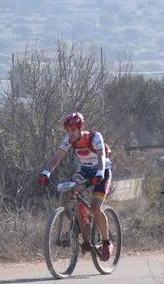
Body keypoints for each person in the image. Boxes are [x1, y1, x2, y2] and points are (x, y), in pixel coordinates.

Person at [39, 111, 113, 260]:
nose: (70, 133)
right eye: (68, 130)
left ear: (80, 128)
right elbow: (57, 158)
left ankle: (106, 242)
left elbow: (101, 156)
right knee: (70, 194)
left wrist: (99, 173)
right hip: (85, 171)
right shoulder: (68, 140)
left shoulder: (94, 137)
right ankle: (84, 228)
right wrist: (46, 172)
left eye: (73, 130)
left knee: (95, 208)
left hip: (102, 171)